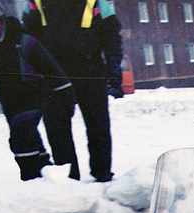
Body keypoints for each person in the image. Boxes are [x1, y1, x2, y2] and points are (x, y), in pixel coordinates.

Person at [0, 1, 77, 181]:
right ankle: (47, 171)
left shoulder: (23, 40)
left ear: (2, 20)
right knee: (28, 134)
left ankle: (30, 178)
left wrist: (66, 95)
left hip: (33, 93)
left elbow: (51, 68)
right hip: (9, 99)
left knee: (20, 135)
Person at [22, 0, 123, 182]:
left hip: (89, 68)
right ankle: (68, 177)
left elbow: (111, 32)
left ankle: (102, 173)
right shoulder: (35, 2)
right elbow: (28, 38)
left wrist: (114, 63)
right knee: (56, 127)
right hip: (53, 71)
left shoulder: (97, 1)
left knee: (98, 123)